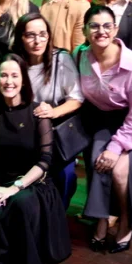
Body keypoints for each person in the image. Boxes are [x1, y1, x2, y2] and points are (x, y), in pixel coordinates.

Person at [75, 6, 132, 253]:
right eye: (93, 26)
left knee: (119, 168)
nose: (100, 31)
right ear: (84, 30)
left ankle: (126, 222)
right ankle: (102, 219)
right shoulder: (81, 55)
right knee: (97, 160)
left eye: (107, 26)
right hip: (109, 117)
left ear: (115, 29)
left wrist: (116, 148)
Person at [0, 53, 71, 264]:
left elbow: (45, 161)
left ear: (23, 80)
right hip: (1, 181)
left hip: (33, 184)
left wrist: (14, 188)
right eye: (4, 75)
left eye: (15, 76)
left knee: (19, 203)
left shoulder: (38, 113)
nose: (9, 81)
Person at [11, 13, 84, 209]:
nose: (38, 41)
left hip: (53, 133)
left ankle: (58, 215)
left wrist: (53, 112)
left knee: (65, 176)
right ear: (21, 37)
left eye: (43, 34)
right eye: (30, 35)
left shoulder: (61, 59)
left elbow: (76, 98)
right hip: (23, 131)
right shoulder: (15, 62)